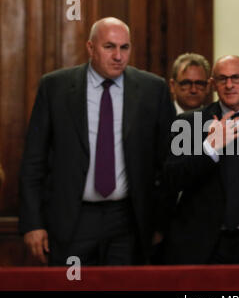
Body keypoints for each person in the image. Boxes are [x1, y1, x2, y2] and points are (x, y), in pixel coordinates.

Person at [19, 17, 175, 266]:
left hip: (128, 221)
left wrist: (159, 223)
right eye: (109, 47)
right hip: (72, 219)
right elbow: (33, 162)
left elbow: (166, 163)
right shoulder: (55, 87)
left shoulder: (152, 89)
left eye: (125, 48)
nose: (118, 56)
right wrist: (32, 223)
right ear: (90, 47)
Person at [162, 55, 239, 264]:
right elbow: (171, 179)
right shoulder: (188, 123)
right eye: (222, 79)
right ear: (213, 84)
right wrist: (209, 148)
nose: (229, 85)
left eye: (236, 78)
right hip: (203, 244)